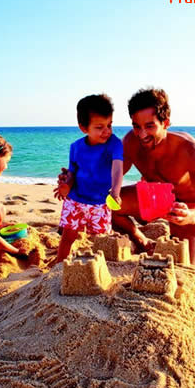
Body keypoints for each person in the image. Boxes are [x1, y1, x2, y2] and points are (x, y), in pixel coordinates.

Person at [70, 88, 195, 265]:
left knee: (184, 266)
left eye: (149, 126)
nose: (142, 134)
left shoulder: (188, 149)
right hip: (153, 197)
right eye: (136, 126)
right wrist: (73, 179)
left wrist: (191, 215)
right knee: (104, 204)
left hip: (185, 208)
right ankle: (140, 240)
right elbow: (105, 178)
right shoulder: (131, 142)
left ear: (166, 122)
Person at [53, 94, 124, 263]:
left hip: (100, 202)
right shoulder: (76, 147)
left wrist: (115, 191)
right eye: (99, 127)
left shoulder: (115, 143)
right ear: (84, 128)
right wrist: (66, 186)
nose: (107, 131)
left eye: (110, 124)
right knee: (68, 236)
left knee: (101, 239)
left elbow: (117, 169)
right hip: (75, 200)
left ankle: (100, 267)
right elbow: (72, 172)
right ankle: (59, 265)